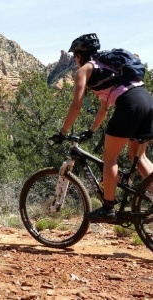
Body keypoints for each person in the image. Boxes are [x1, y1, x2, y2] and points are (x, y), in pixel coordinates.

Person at [52, 33, 153, 221]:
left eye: (75, 56)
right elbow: (104, 108)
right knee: (139, 158)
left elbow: (76, 105)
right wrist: (91, 131)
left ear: (79, 55)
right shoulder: (108, 66)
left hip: (129, 105)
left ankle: (108, 208)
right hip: (147, 102)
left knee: (110, 158)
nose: (75, 60)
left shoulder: (84, 70)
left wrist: (62, 132)